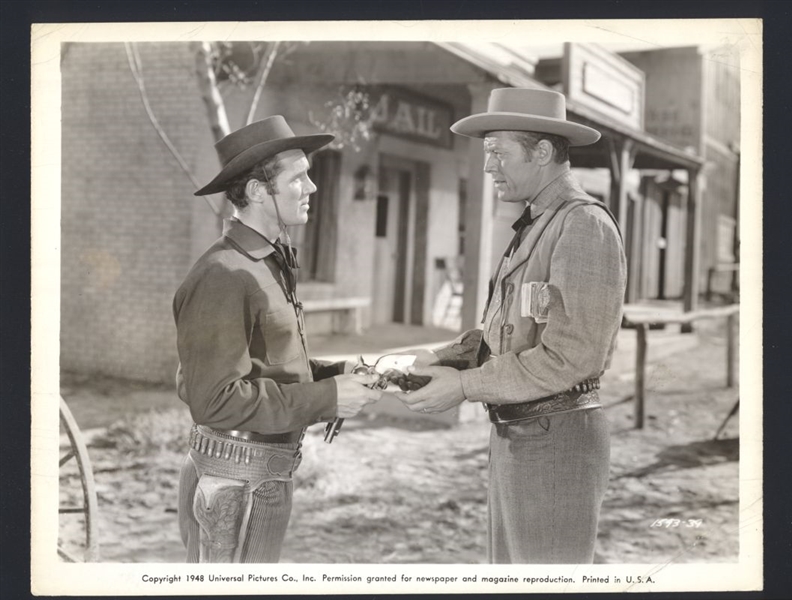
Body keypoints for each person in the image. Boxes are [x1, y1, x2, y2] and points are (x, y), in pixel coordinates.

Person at [396, 88, 627, 564]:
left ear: (542, 152)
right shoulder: (539, 222)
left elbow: (572, 356)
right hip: (520, 435)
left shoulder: (582, 225)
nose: (488, 167)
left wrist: (463, 386)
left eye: (497, 153)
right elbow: (508, 329)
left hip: (556, 440)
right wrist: (442, 358)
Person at [173, 116, 381, 563]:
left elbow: (265, 364)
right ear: (255, 191)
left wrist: (338, 374)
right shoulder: (225, 273)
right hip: (234, 483)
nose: (312, 188)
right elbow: (215, 401)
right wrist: (326, 398)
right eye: (297, 177)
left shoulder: (263, 263)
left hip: (259, 475)